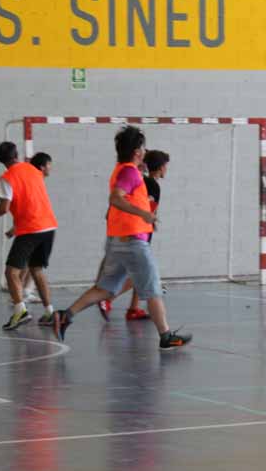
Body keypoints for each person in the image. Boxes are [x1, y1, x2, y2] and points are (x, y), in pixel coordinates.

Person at [52, 126, 191, 350]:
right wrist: (143, 214)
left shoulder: (123, 169)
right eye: (143, 147)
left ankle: (65, 315)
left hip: (118, 240)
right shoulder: (129, 172)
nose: (145, 151)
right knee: (153, 288)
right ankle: (166, 336)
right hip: (133, 241)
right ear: (137, 151)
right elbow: (116, 198)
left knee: (105, 289)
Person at [0, 142, 58, 331]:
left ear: (0, 159)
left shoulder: (7, 178)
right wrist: (3, 192)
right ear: (16, 154)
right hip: (49, 226)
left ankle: (20, 311)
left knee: (11, 272)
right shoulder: (33, 169)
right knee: (36, 269)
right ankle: (50, 312)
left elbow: (3, 209)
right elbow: (28, 196)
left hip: (31, 229)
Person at [120, 149, 168, 321]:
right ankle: (107, 298)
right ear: (160, 167)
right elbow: (148, 210)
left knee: (139, 270)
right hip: (140, 231)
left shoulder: (142, 181)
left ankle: (134, 308)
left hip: (133, 229)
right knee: (141, 271)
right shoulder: (152, 185)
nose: (166, 169)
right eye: (166, 166)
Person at [6, 152, 53, 305]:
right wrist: (15, 227)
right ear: (42, 167)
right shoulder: (30, 179)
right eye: (49, 165)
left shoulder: (35, 180)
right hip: (33, 229)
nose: (51, 168)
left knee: (31, 265)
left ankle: (25, 293)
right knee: (23, 266)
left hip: (38, 227)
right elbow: (25, 206)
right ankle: (21, 295)